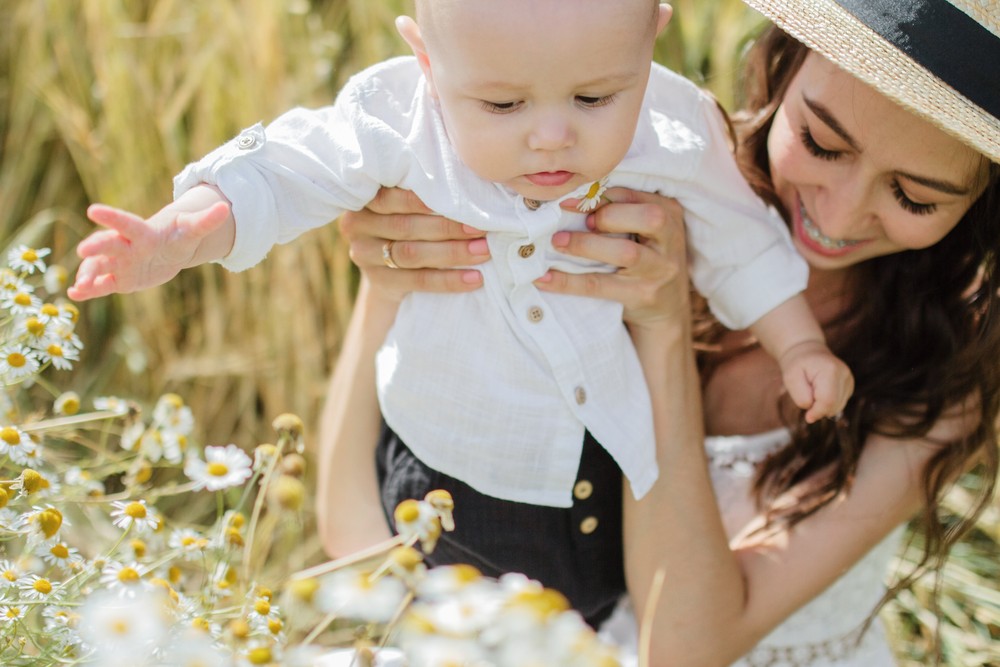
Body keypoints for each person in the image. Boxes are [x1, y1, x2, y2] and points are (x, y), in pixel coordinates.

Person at [67, 0, 854, 628]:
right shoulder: (401, 118)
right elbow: (290, 166)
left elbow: (741, 242)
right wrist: (188, 230)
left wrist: (798, 345)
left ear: (654, 35)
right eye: (503, 102)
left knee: (572, 626)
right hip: (436, 461)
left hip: (591, 481)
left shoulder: (675, 130)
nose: (553, 134)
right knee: (429, 626)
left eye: (594, 96)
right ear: (425, 59)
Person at [318, 0, 1000, 664]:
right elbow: (353, 528)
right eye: (821, 142)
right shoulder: (611, 175)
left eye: (914, 196)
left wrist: (663, 325)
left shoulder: (955, 370)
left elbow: (681, 647)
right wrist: (396, 280)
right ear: (785, 63)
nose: (841, 214)